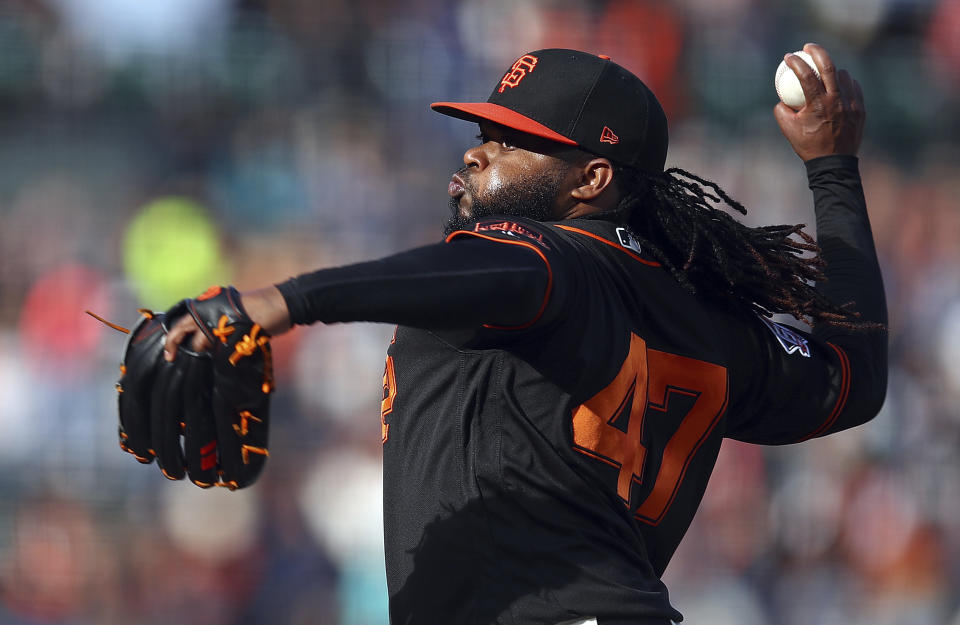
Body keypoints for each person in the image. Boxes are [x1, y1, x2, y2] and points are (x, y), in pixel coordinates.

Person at [162, 45, 887, 625]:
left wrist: (281, 302)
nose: (478, 154)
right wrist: (831, 169)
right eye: (484, 134)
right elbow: (849, 380)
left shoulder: (549, 257)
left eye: (513, 142)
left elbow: (483, 272)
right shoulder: (708, 317)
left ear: (592, 178)